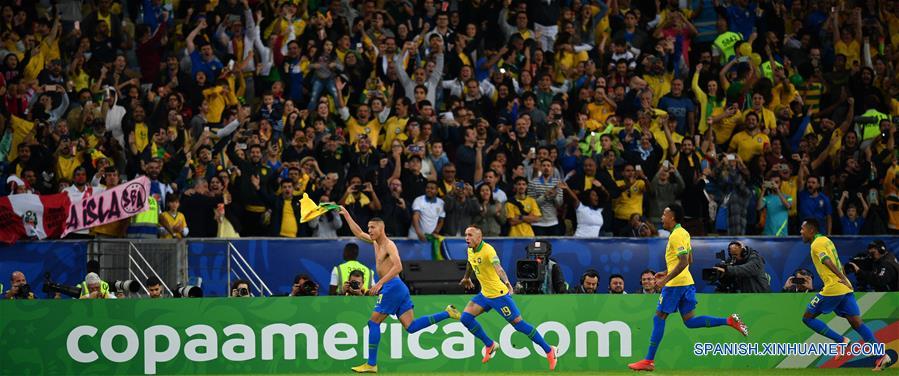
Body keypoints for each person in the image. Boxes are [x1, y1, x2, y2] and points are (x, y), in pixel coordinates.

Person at [338, 207, 460, 373]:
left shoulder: (389, 245)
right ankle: (447, 313)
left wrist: (380, 283)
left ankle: (371, 364)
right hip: (398, 287)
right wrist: (346, 214)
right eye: (369, 228)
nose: (369, 231)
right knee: (411, 327)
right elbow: (358, 233)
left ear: (382, 228)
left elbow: (398, 267)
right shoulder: (375, 243)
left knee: (373, 323)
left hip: (392, 286)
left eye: (372, 228)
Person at [629, 204, 748, 371]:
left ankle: (648, 360)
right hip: (687, 283)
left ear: (673, 217)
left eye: (664, 214)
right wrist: (665, 272)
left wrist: (666, 280)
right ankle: (728, 321)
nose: (662, 217)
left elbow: (685, 261)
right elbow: (689, 260)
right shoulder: (684, 232)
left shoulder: (676, 236)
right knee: (690, 321)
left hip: (675, 284)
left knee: (659, 317)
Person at [458, 225, 558, 370]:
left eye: (470, 235)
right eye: (466, 235)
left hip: (499, 295)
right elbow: (470, 262)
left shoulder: (488, 250)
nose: (467, 238)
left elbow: (498, 268)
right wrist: (466, 277)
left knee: (519, 325)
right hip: (484, 294)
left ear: (479, 238)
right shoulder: (470, 250)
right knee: (465, 318)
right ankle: (490, 345)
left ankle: (549, 350)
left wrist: (507, 283)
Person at [799, 218, 890, 370]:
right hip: (844, 288)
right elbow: (837, 261)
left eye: (802, 229)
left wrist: (841, 277)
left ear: (811, 230)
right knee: (857, 323)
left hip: (834, 287)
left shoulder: (816, 244)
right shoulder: (826, 240)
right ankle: (882, 355)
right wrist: (844, 278)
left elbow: (827, 260)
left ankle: (840, 340)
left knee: (807, 318)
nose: (800, 232)